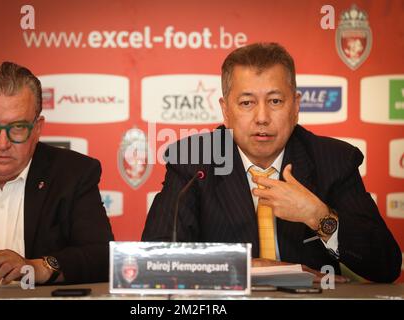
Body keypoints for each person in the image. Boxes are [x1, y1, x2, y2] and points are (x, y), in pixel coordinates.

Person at [142, 43, 402, 283]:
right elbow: (156, 260)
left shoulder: (334, 160)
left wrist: (319, 216)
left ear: (296, 106)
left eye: (275, 101)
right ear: (226, 112)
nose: (262, 117)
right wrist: (246, 268)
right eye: (246, 103)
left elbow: (386, 266)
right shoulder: (193, 160)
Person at [0, 62, 114, 286]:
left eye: (18, 127)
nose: (3, 143)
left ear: (37, 128)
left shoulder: (72, 173)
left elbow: (103, 257)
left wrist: (41, 267)